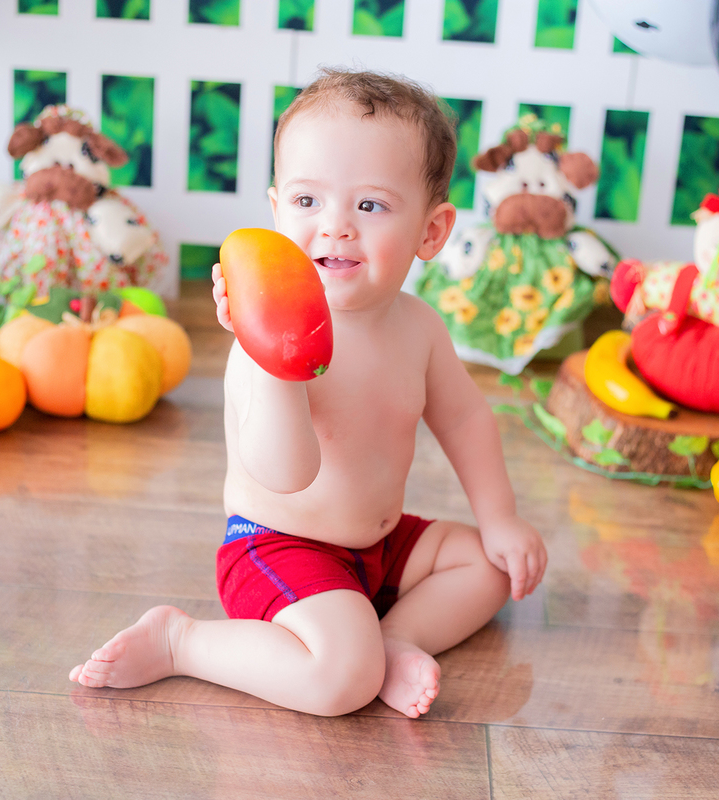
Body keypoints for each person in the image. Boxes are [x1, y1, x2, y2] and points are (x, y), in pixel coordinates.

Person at [69, 68, 548, 718]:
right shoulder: (259, 345)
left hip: (378, 545)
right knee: (339, 682)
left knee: (488, 568)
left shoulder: (418, 327)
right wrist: (275, 358)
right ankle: (182, 641)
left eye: (370, 205)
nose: (335, 227)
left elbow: (464, 419)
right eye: (306, 202)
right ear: (274, 212)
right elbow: (286, 473)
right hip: (276, 546)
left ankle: (395, 638)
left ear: (431, 233)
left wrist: (500, 518)